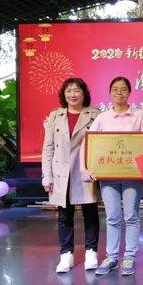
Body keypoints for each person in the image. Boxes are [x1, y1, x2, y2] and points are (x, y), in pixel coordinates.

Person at [80, 76, 143, 276]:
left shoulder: (139, 115)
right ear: (110, 93)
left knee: (131, 216)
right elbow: (89, 142)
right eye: (115, 89)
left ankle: (129, 257)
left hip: (132, 176)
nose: (119, 93)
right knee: (112, 217)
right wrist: (84, 168)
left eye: (123, 89)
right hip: (108, 175)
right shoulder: (103, 117)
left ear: (129, 92)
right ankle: (111, 257)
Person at [42, 78, 101, 273]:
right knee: (64, 215)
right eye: (68, 91)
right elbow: (48, 147)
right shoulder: (55, 115)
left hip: (85, 170)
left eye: (77, 90)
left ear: (84, 93)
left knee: (90, 213)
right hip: (61, 172)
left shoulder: (95, 114)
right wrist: (47, 175)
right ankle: (65, 254)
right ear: (63, 94)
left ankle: (91, 252)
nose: (72, 95)